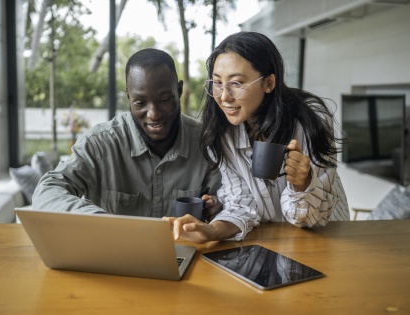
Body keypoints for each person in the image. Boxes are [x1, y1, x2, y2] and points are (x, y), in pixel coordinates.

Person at [164, 31, 349, 243]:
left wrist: (302, 184)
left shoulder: (310, 122)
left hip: (329, 240)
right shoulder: (224, 131)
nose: (224, 97)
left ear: (269, 83)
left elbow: (309, 219)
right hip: (271, 241)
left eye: (236, 83)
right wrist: (212, 231)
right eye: (217, 83)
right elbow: (241, 202)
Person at [32, 48, 221, 218]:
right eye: (140, 103)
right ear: (129, 97)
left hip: (184, 254)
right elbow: (47, 190)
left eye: (164, 99)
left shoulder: (205, 141)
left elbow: (231, 200)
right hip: (113, 255)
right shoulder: (99, 144)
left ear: (179, 91)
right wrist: (97, 217)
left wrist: (218, 206)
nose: (154, 114)